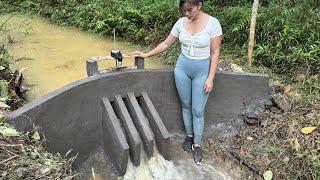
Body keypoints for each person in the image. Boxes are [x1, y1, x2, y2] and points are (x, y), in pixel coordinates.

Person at [131, 0, 222, 164]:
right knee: (186, 105)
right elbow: (166, 43)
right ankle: (189, 136)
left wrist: (210, 78)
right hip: (182, 69)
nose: (187, 14)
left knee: (198, 110)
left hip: (202, 70)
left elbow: (215, 53)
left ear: (199, 5)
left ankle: (198, 144)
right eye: (184, 11)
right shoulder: (181, 23)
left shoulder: (213, 23)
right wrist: (146, 54)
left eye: (190, 10)